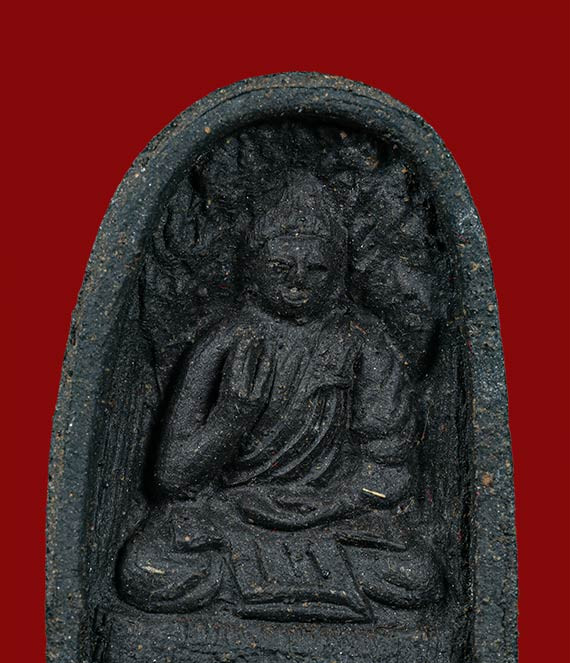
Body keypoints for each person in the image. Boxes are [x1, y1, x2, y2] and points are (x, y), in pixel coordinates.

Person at [117, 173, 445, 619]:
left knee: (417, 574)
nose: (297, 282)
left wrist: (334, 501)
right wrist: (231, 419)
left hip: (334, 518)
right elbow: (173, 478)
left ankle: (264, 593)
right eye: (280, 268)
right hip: (234, 514)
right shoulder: (225, 342)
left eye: (316, 269)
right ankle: (295, 593)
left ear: (338, 273)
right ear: (254, 268)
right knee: (146, 569)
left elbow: (389, 466)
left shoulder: (362, 343)